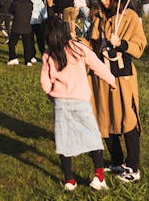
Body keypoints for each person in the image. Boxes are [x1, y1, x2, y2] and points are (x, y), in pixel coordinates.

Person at [41, 17, 115, 191]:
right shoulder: (79, 48)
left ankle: (69, 180)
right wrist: (111, 81)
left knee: (63, 139)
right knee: (93, 137)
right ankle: (99, 176)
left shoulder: (48, 54)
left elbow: (45, 81)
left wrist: (51, 94)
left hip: (61, 102)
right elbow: (97, 65)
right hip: (81, 101)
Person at [89, 0, 147, 183]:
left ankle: (132, 166)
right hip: (100, 75)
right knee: (104, 115)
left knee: (127, 118)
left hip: (122, 76)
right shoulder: (99, 17)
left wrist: (121, 43)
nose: (104, 2)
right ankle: (116, 160)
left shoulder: (130, 17)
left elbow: (139, 46)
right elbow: (92, 43)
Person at [7, 0, 35, 65]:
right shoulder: (30, 3)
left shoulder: (15, 3)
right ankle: (28, 60)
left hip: (17, 25)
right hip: (27, 25)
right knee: (27, 45)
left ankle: (13, 57)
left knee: (12, 43)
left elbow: (10, 11)